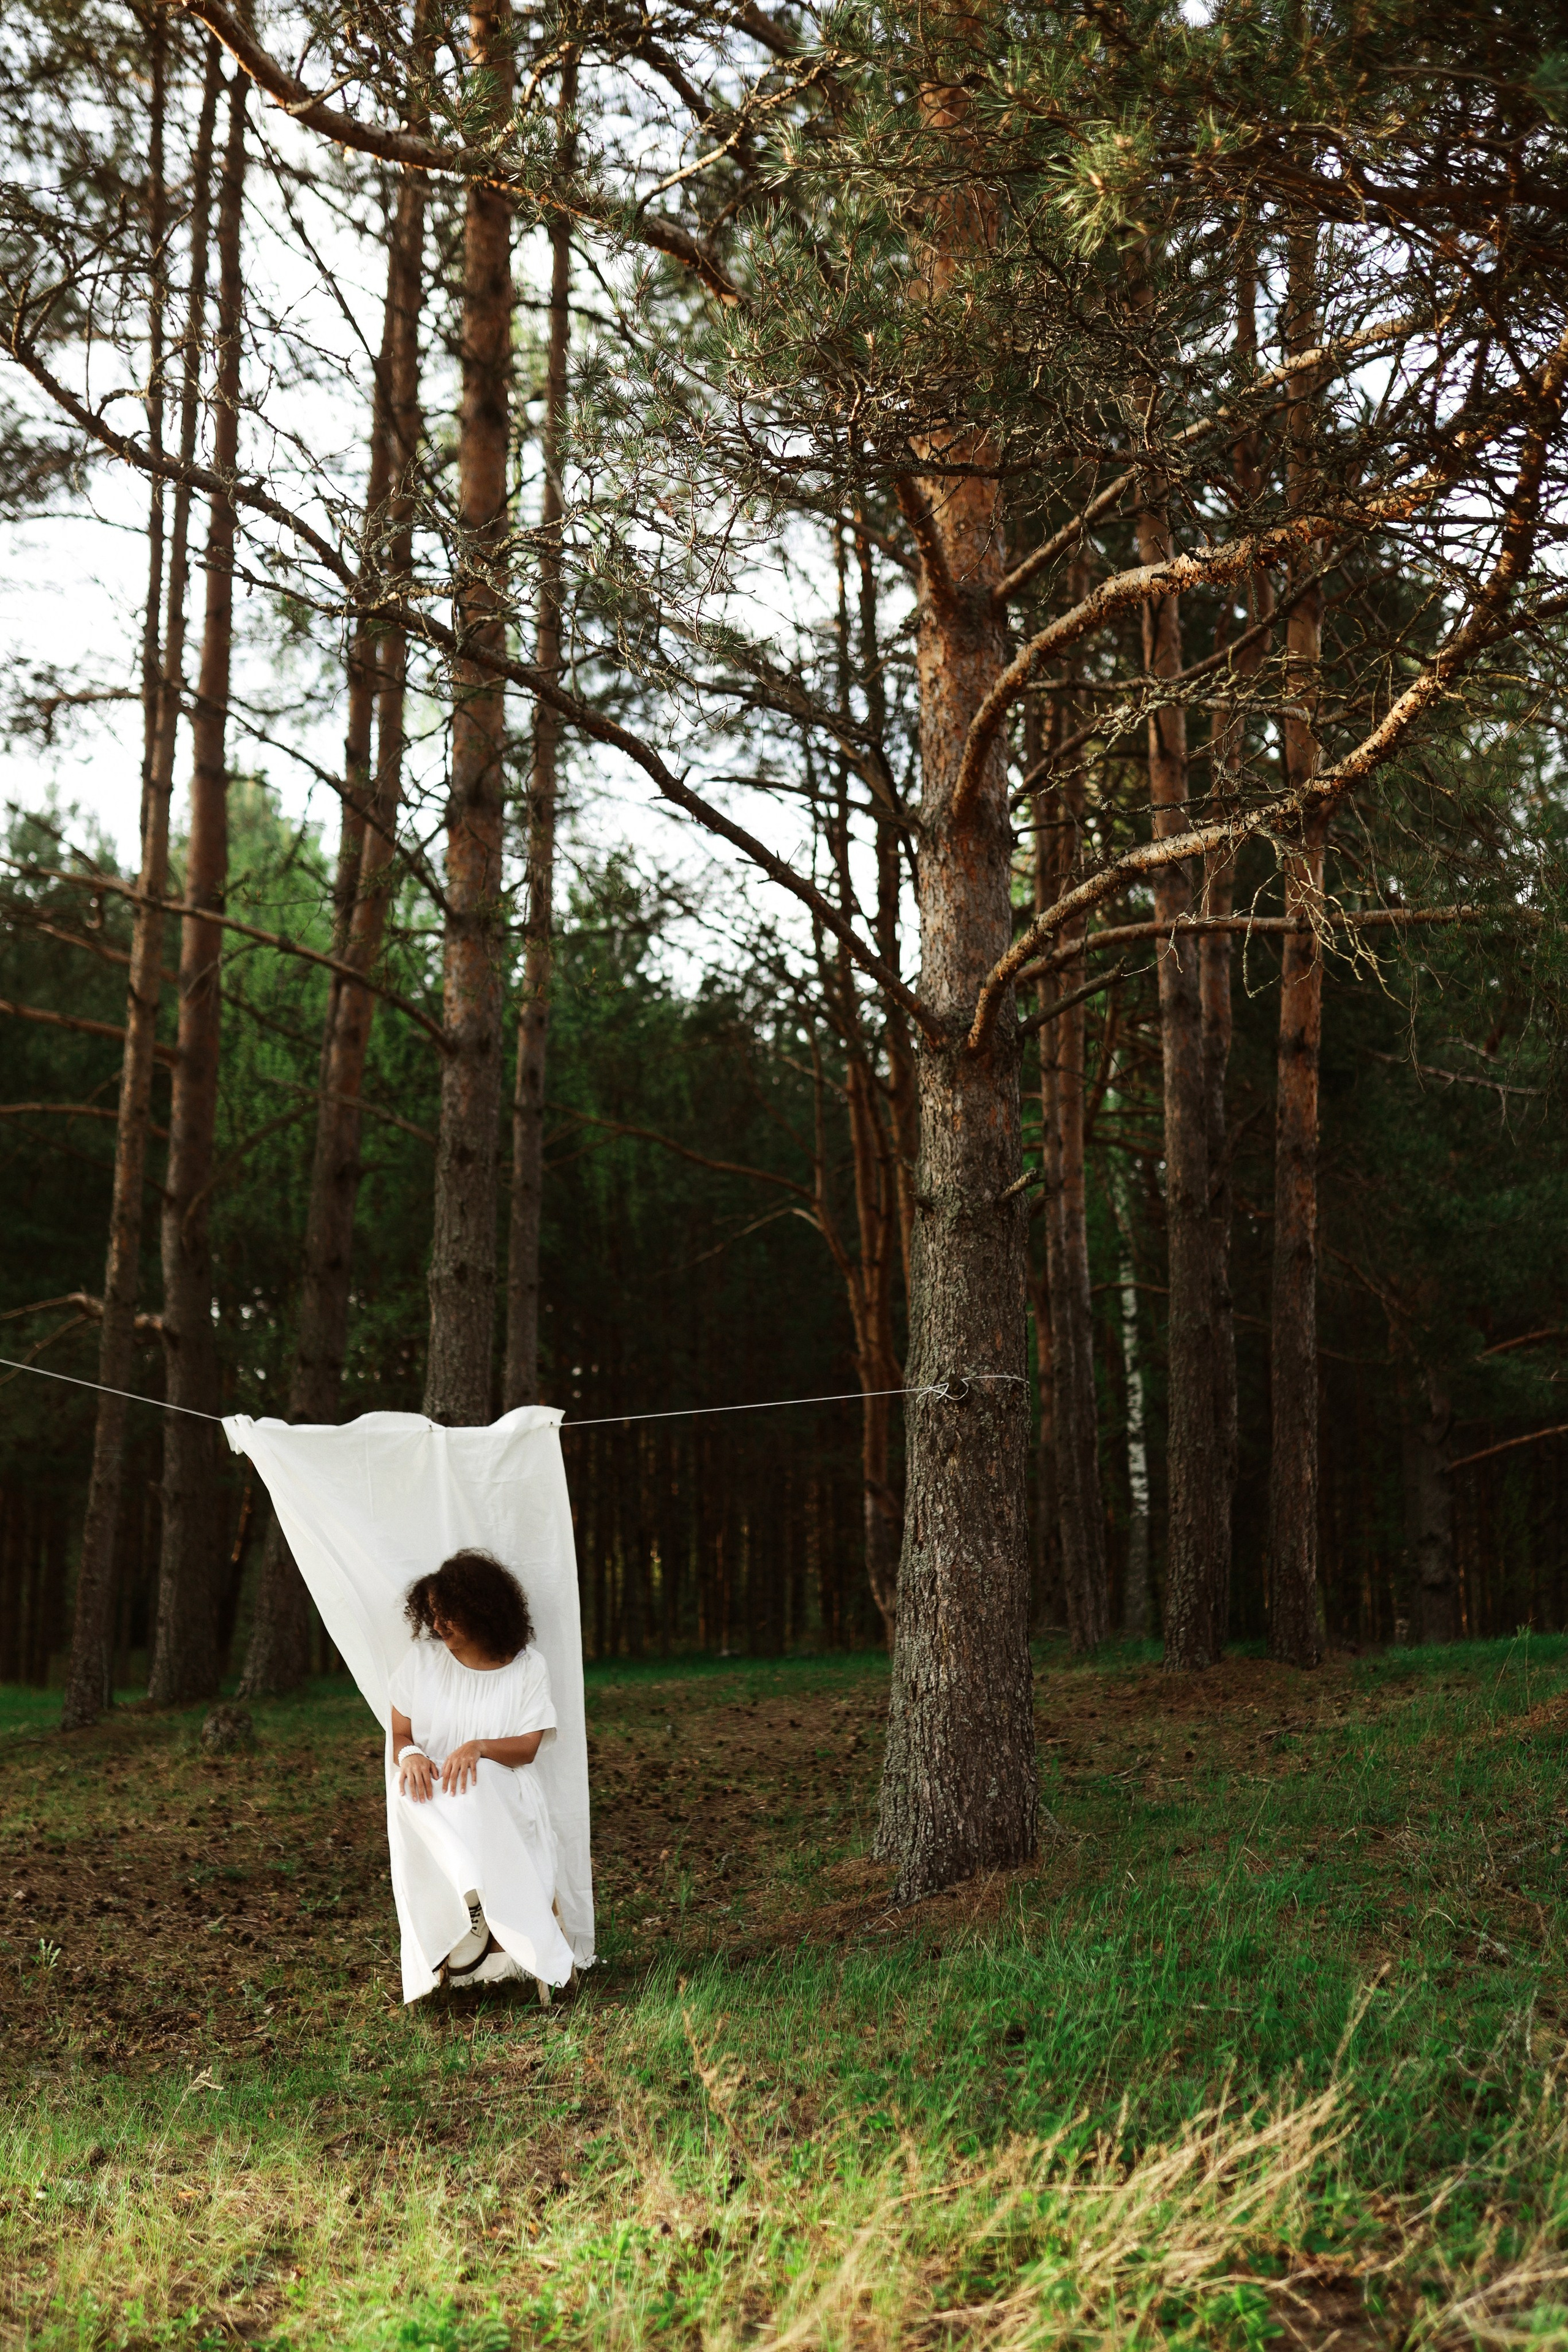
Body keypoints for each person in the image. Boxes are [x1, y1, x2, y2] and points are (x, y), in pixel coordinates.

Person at [388, 1548, 577, 1997]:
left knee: (477, 1784)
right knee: (408, 1789)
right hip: (433, 1790)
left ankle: (473, 1903)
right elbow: (399, 1733)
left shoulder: (527, 1667)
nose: (438, 1626)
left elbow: (529, 1747)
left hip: (501, 1787)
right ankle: (469, 1904)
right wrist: (411, 1754)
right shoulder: (422, 1662)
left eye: (449, 1616)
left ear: (482, 1612)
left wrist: (479, 1748)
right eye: (433, 1615)